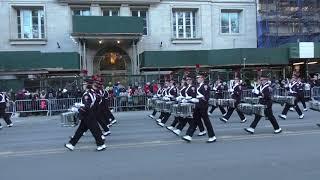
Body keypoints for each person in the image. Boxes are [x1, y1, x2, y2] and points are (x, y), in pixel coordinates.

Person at [65, 78, 106, 151]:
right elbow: (94, 103)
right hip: (90, 114)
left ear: (88, 85)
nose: (83, 85)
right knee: (81, 130)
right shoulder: (93, 93)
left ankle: (101, 144)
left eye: (84, 84)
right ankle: (71, 144)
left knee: (94, 130)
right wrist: (79, 105)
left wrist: (76, 109)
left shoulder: (87, 94)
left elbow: (86, 106)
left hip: (87, 114)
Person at [182, 73, 216, 143]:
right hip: (197, 106)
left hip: (203, 106)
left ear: (202, 78)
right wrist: (189, 99)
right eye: (197, 78)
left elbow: (206, 98)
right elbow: (194, 96)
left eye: (199, 78)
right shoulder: (197, 86)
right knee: (195, 120)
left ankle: (212, 136)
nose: (197, 79)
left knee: (206, 121)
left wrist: (198, 99)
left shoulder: (205, 86)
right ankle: (189, 135)